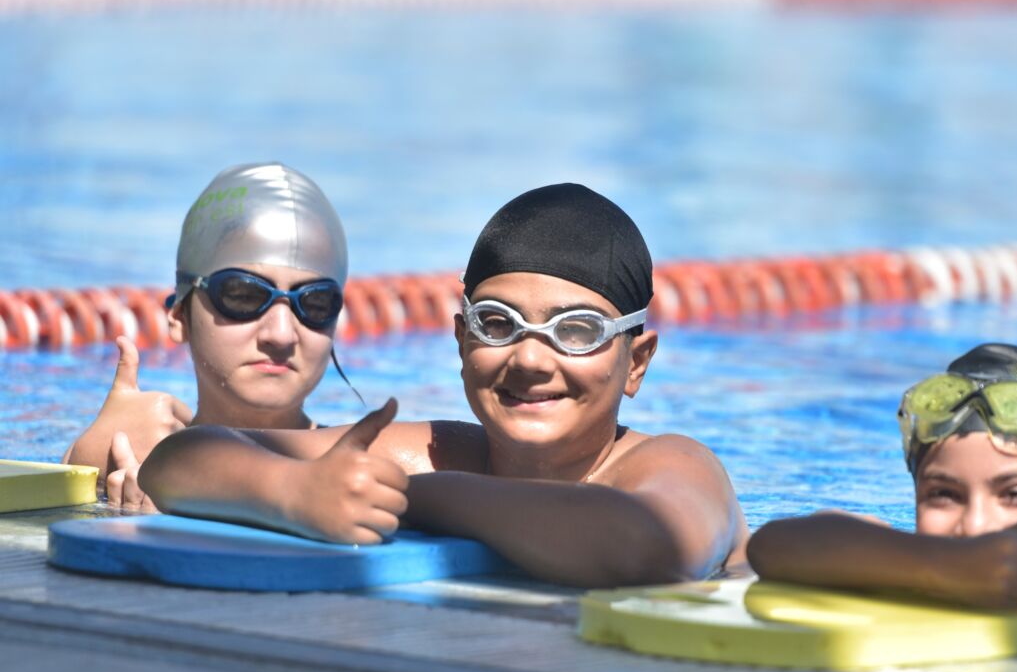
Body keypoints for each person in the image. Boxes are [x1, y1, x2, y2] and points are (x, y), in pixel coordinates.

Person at [140, 183, 749, 588]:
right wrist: (293, 491)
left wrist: (411, 498)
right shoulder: (436, 451)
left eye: (577, 331)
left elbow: (646, 547)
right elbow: (178, 461)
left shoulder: (674, 466)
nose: (530, 359)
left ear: (636, 362)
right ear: (461, 343)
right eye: (498, 324)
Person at [747, 343, 1017, 626]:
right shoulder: (908, 559)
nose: (974, 526)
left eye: (1014, 495)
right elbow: (771, 546)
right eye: (944, 495)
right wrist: (942, 567)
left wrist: (954, 567)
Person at [64, 162, 352, 511]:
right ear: (179, 316)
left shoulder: (365, 462)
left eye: (315, 302)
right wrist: (87, 462)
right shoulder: (136, 453)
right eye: (243, 295)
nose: (281, 335)